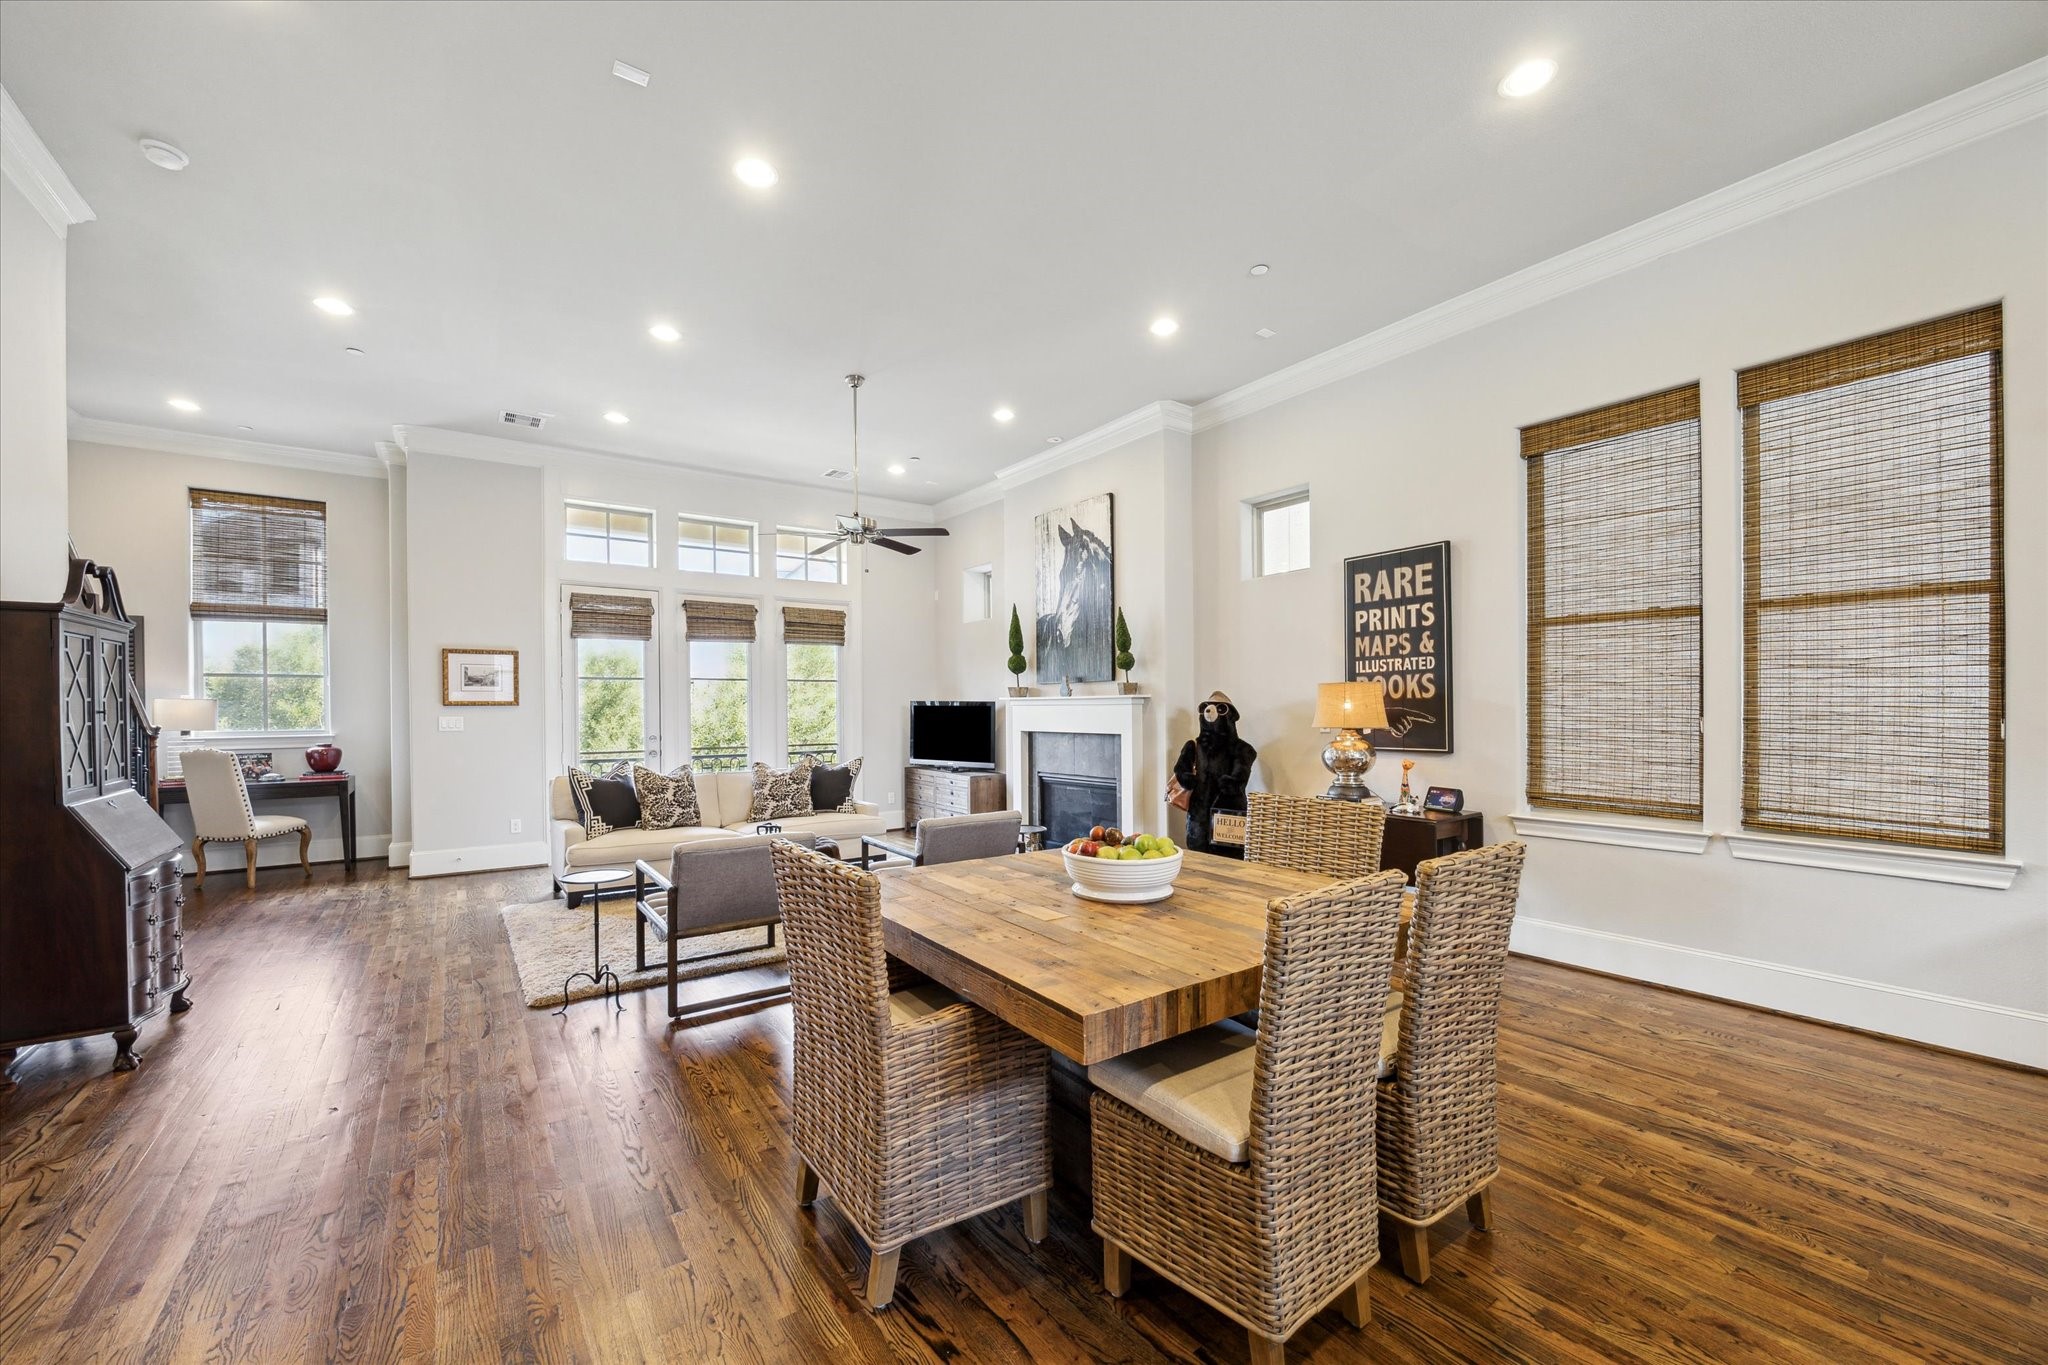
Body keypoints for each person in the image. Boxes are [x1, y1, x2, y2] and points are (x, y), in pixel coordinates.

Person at [1172, 691, 1256, 858]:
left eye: (1221, 708)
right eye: (1205, 708)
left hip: (1229, 814)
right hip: (1199, 815)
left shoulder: (1242, 749)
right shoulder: (1193, 746)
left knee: (1230, 860)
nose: (1210, 711)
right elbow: (1180, 770)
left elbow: (1240, 777)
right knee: (1198, 855)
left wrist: (1230, 783)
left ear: (1230, 717)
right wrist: (1187, 778)